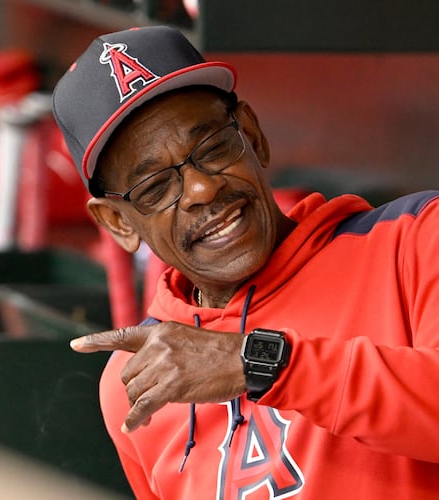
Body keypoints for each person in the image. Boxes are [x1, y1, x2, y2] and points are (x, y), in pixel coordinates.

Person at [52, 26, 439, 499]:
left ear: (253, 137)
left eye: (214, 150)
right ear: (118, 223)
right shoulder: (136, 379)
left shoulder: (414, 237)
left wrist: (259, 363)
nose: (201, 189)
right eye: (155, 187)